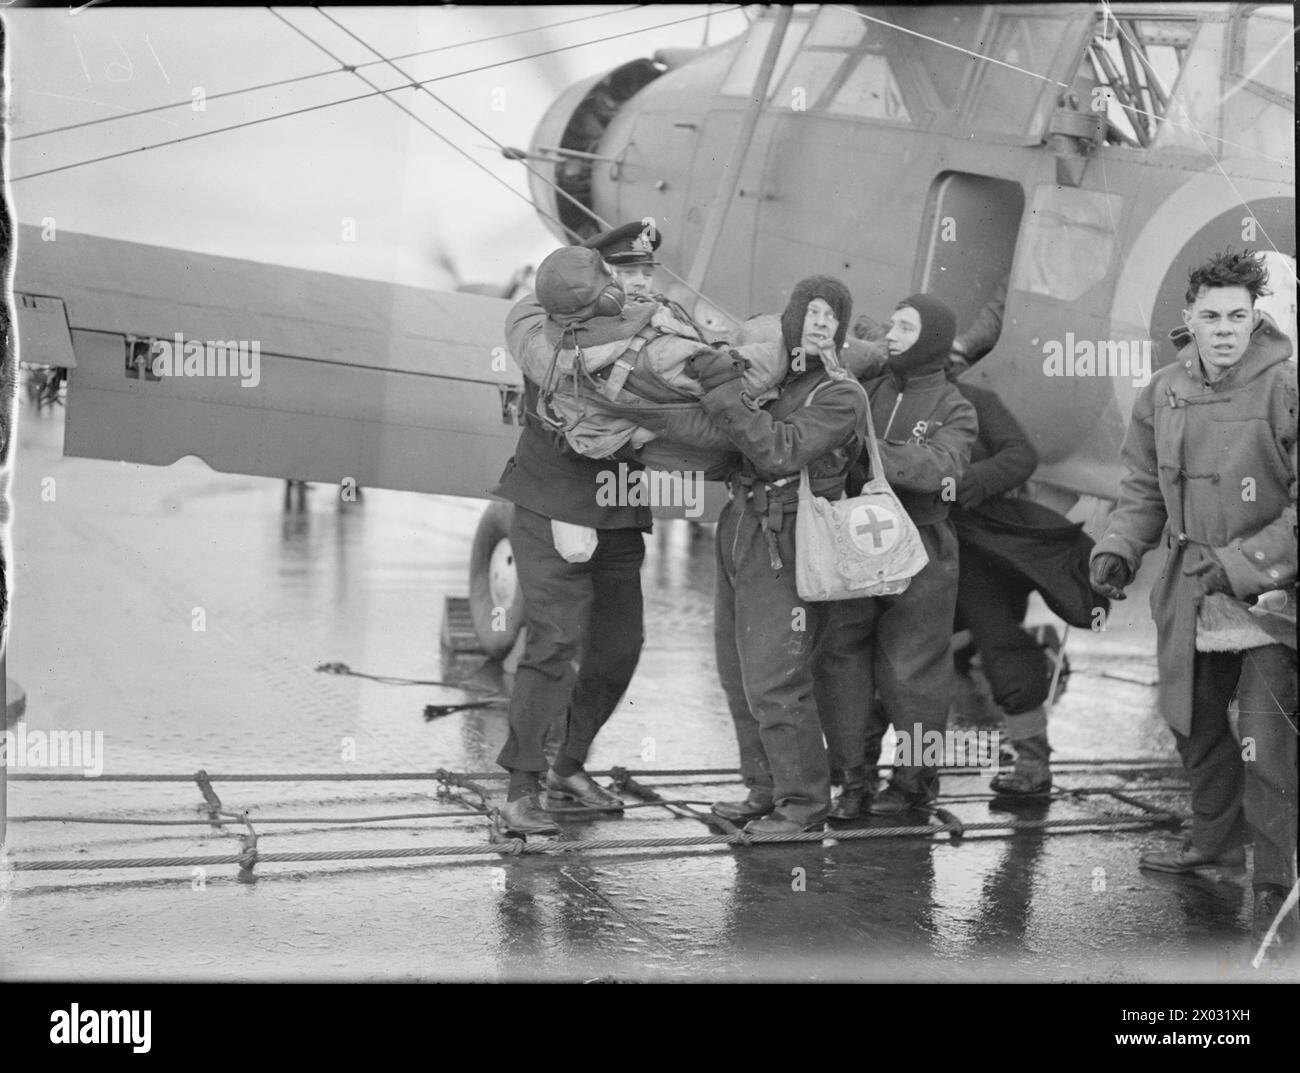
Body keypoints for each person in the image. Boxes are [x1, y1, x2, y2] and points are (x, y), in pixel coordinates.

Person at [1089, 249, 1297, 946]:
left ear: (1254, 318)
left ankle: (1277, 878)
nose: (1225, 330)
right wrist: (1119, 547)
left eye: (1239, 316)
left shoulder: (1286, 387)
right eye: (1211, 316)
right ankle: (1213, 845)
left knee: (1264, 741)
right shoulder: (1162, 392)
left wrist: (1243, 565)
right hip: (1187, 586)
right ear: (1189, 318)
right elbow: (1143, 487)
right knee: (1194, 720)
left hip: (1270, 597)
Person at [699, 276, 868, 835]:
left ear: (841, 330)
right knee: (735, 672)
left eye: (832, 315)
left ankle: (803, 806)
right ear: (793, 319)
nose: (821, 322)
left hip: (788, 540)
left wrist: (724, 396)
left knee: (776, 678)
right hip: (741, 526)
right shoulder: (773, 380)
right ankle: (764, 788)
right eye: (812, 312)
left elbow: (779, 451)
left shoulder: (840, 394)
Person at [491, 250, 651, 836]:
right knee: (554, 641)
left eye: (646, 275)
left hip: (619, 505)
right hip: (553, 501)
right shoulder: (551, 331)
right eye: (627, 272)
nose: (638, 283)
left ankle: (569, 764)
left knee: (619, 646)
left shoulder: (653, 328)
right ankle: (519, 788)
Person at [814, 295, 977, 818]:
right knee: (845, 663)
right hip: (859, 540)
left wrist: (870, 450)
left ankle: (914, 783)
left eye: (906, 328)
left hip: (923, 548)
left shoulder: (955, 407)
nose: (892, 335)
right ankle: (853, 781)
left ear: (930, 339)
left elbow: (944, 469)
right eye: (893, 325)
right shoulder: (873, 388)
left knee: (914, 673)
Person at [947, 377, 1107, 796]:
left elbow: (1019, 456)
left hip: (975, 543)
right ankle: (887, 777)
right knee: (893, 656)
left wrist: (967, 483)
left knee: (1001, 644)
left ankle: (1032, 762)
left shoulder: (977, 400)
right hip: (901, 547)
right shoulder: (880, 395)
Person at [582, 221, 697, 325]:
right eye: (628, 272)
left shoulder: (669, 315)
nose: (641, 283)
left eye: (647, 275)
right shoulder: (583, 322)